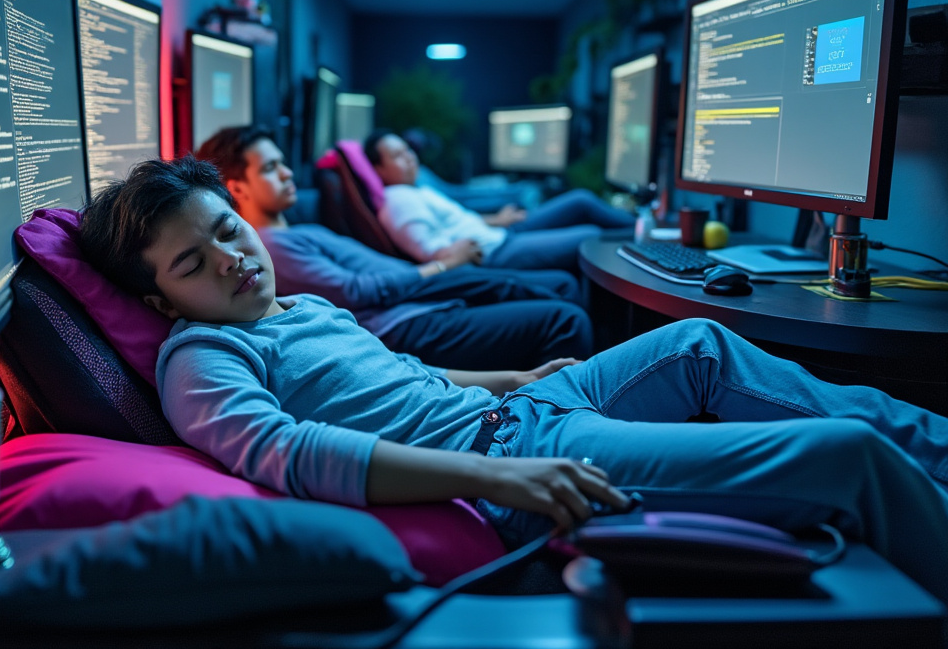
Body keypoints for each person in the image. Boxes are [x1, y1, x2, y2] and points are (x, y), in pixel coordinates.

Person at [80, 156, 948, 605]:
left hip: (521, 409)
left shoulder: (293, 308)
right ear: (161, 294)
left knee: (697, 342)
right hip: (513, 460)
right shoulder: (201, 358)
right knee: (846, 457)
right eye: (195, 261)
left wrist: (516, 375)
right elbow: (292, 453)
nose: (232, 258)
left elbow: (407, 376)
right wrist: (503, 474)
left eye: (228, 230)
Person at [194, 126, 594, 370]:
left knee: (557, 293)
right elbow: (354, 294)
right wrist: (443, 268)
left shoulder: (293, 230)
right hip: (403, 325)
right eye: (269, 168)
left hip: (418, 304)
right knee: (565, 318)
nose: (287, 172)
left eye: (282, 162)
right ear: (237, 188)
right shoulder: (273, 248)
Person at [363, 130, 635, 275]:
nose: (410, 157)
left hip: (499, 232)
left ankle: (642, 229)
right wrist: (457, 252)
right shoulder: (398, 202)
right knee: (591, 236)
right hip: (496, 252)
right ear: (378, 170)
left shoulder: (415, 188)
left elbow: (455, 221)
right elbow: (430, 252)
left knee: (579, 201)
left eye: (408, 150)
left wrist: (495, 219)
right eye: (398, 156)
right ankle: (647, 241)